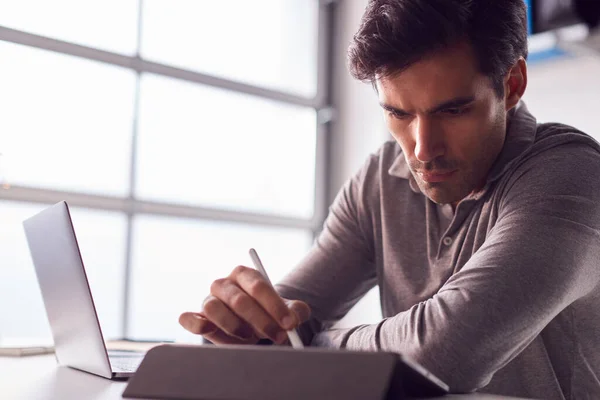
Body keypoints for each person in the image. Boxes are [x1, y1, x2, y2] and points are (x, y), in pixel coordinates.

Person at [179, 1, 600, 398]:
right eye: (399, 114)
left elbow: (443, 353)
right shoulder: (381, 180)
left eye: (452, 111)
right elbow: (282, 323)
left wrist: (308, 347)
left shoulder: (572, 177)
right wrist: (238, 322)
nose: (421, 149)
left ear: (511, 85)